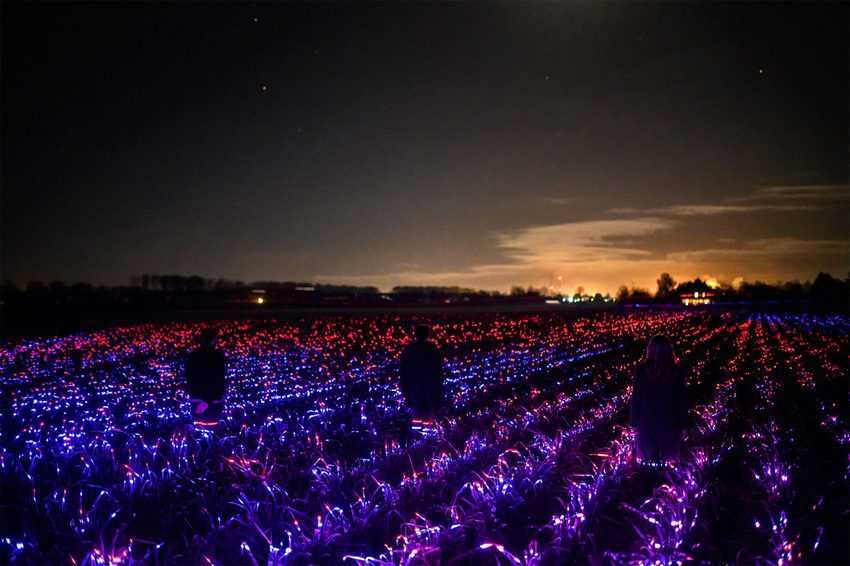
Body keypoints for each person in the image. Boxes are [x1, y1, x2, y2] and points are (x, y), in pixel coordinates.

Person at [629, 335, 687, 464]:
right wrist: (683, 424)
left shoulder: (641, 371)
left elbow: (636, 398)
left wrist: (633, 422)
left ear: (649, 350)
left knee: (647, 462)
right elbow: (681, 400)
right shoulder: (677, 371)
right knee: (669, 463)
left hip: (647, 421)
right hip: (670, 421)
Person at [399, 324, 444, 419]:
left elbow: (403, 370)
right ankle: (426, 427)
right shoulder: (432, 349)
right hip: (429, 387)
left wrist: (405, 389)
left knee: (417, 412)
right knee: (428, 414)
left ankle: (418, 427)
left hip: (414, 386)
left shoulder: (409, 349)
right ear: (428, 334)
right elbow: (438, 369)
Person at [185, 328, 226, 423]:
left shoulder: (193, 355)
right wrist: (212, 398)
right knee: (212, 424)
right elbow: (220, 378)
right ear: (214, 340)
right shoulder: (217, 356)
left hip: (198, 396)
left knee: (198, 424)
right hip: (212, 397)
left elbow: (189, 377)